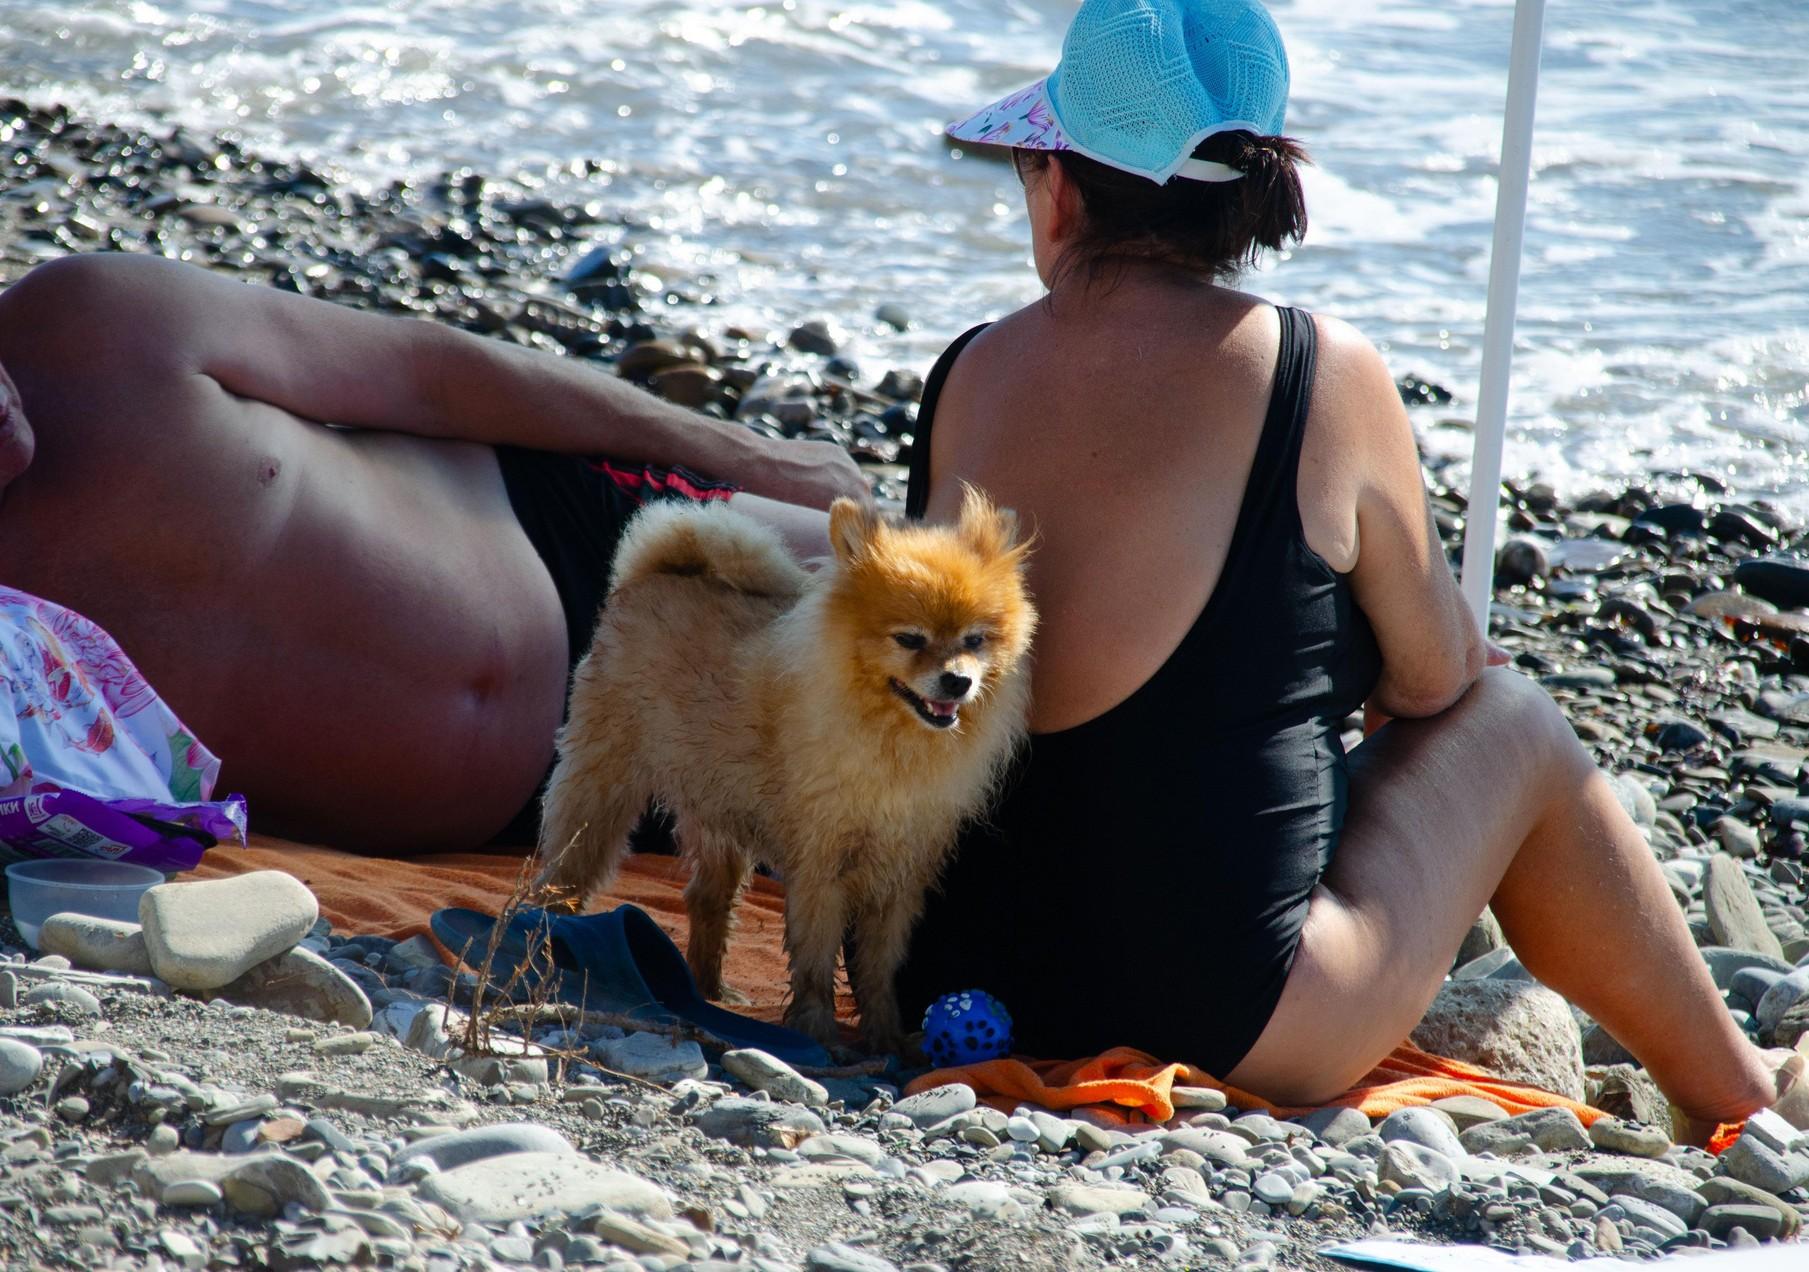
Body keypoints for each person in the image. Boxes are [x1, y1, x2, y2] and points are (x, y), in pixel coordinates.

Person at [888, 0, 1796, 1136]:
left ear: (1060, 185)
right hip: (1232, 1015)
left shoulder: (969, 374)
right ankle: (1744, 1100)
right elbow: (1431, 684)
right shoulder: (1319, 375)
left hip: (956, 982)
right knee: (1512, 721)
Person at [0, 253, 853, 850]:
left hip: (586, 551)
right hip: (561, 816)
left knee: (958, 619)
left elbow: (430, 373)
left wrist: (756, 457)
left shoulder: (90, 320)